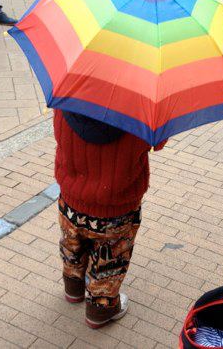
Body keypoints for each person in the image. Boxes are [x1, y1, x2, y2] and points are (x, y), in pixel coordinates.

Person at [54, 110, 166, 328]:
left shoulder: (66, 101)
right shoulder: (141, 113)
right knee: (110, 260)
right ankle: (100, 310)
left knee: (72, 244)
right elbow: (158, 142)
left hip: (72, 198)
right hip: (117, 205)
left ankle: (73, 288)